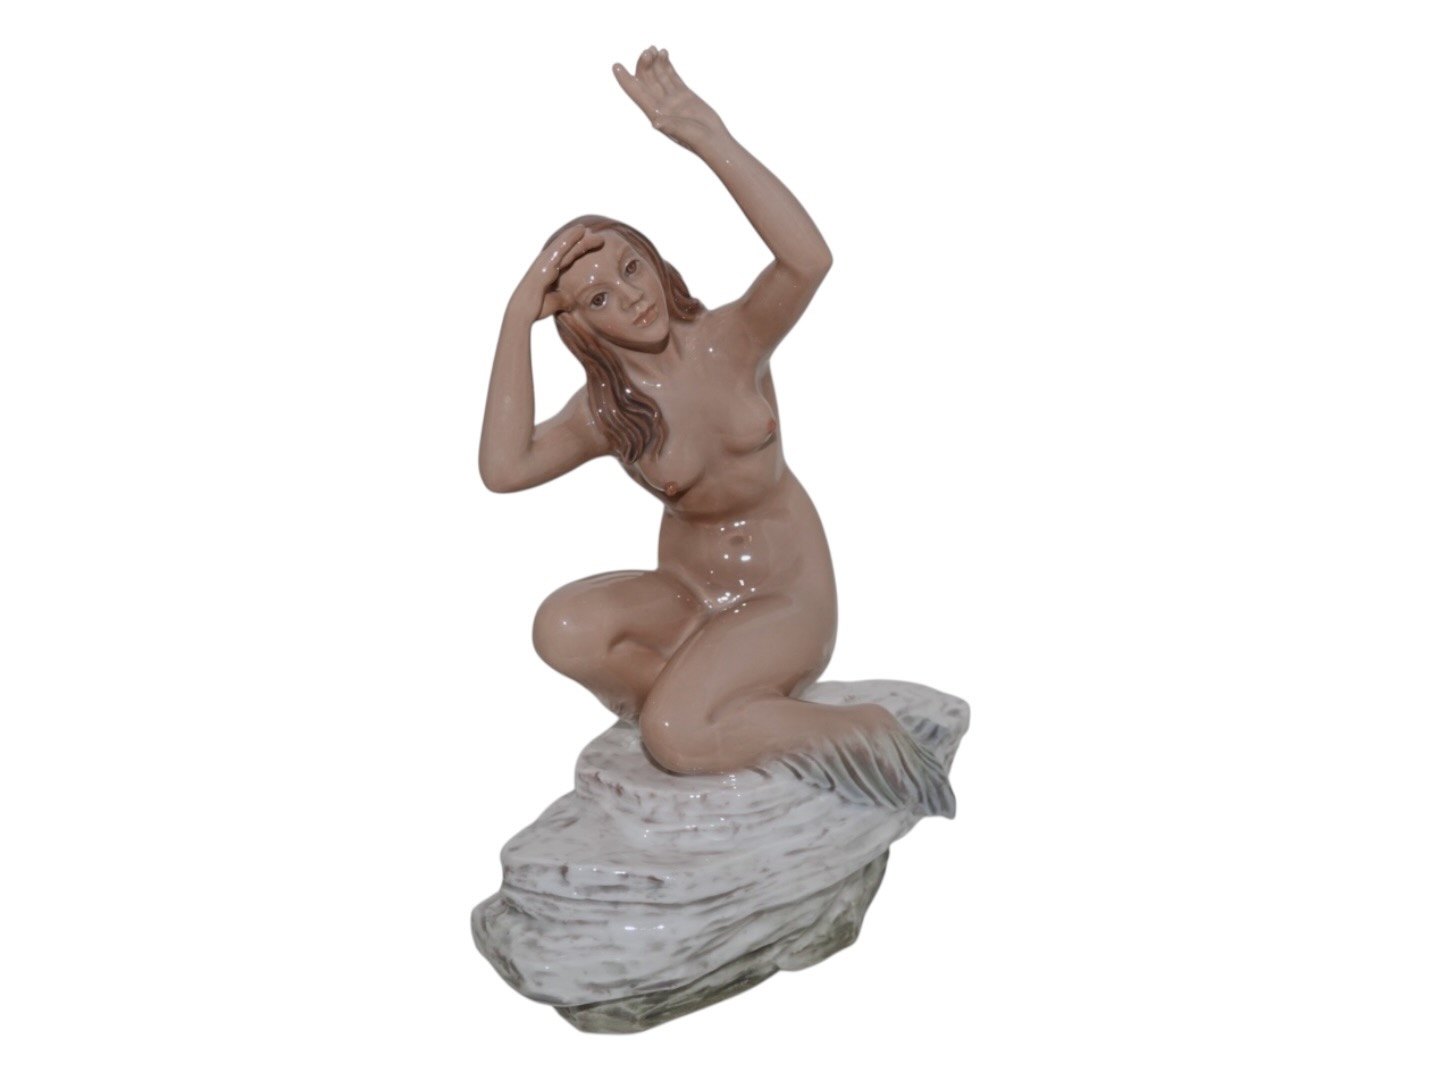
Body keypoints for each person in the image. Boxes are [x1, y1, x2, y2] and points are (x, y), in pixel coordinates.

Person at [479, 48, 953, 817]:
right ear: (578, 325)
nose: (630, 298)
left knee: (678, 732)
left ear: (654, 260)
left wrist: (705, 135)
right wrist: (513, 316)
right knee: (561, 628)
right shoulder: (609, 411)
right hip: (690, 599)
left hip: (784, 595)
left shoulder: (733, 340)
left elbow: (808, 260)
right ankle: (706, 724)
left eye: (631, 269)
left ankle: (849, 733)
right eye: (598, 298)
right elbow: (504, 469)